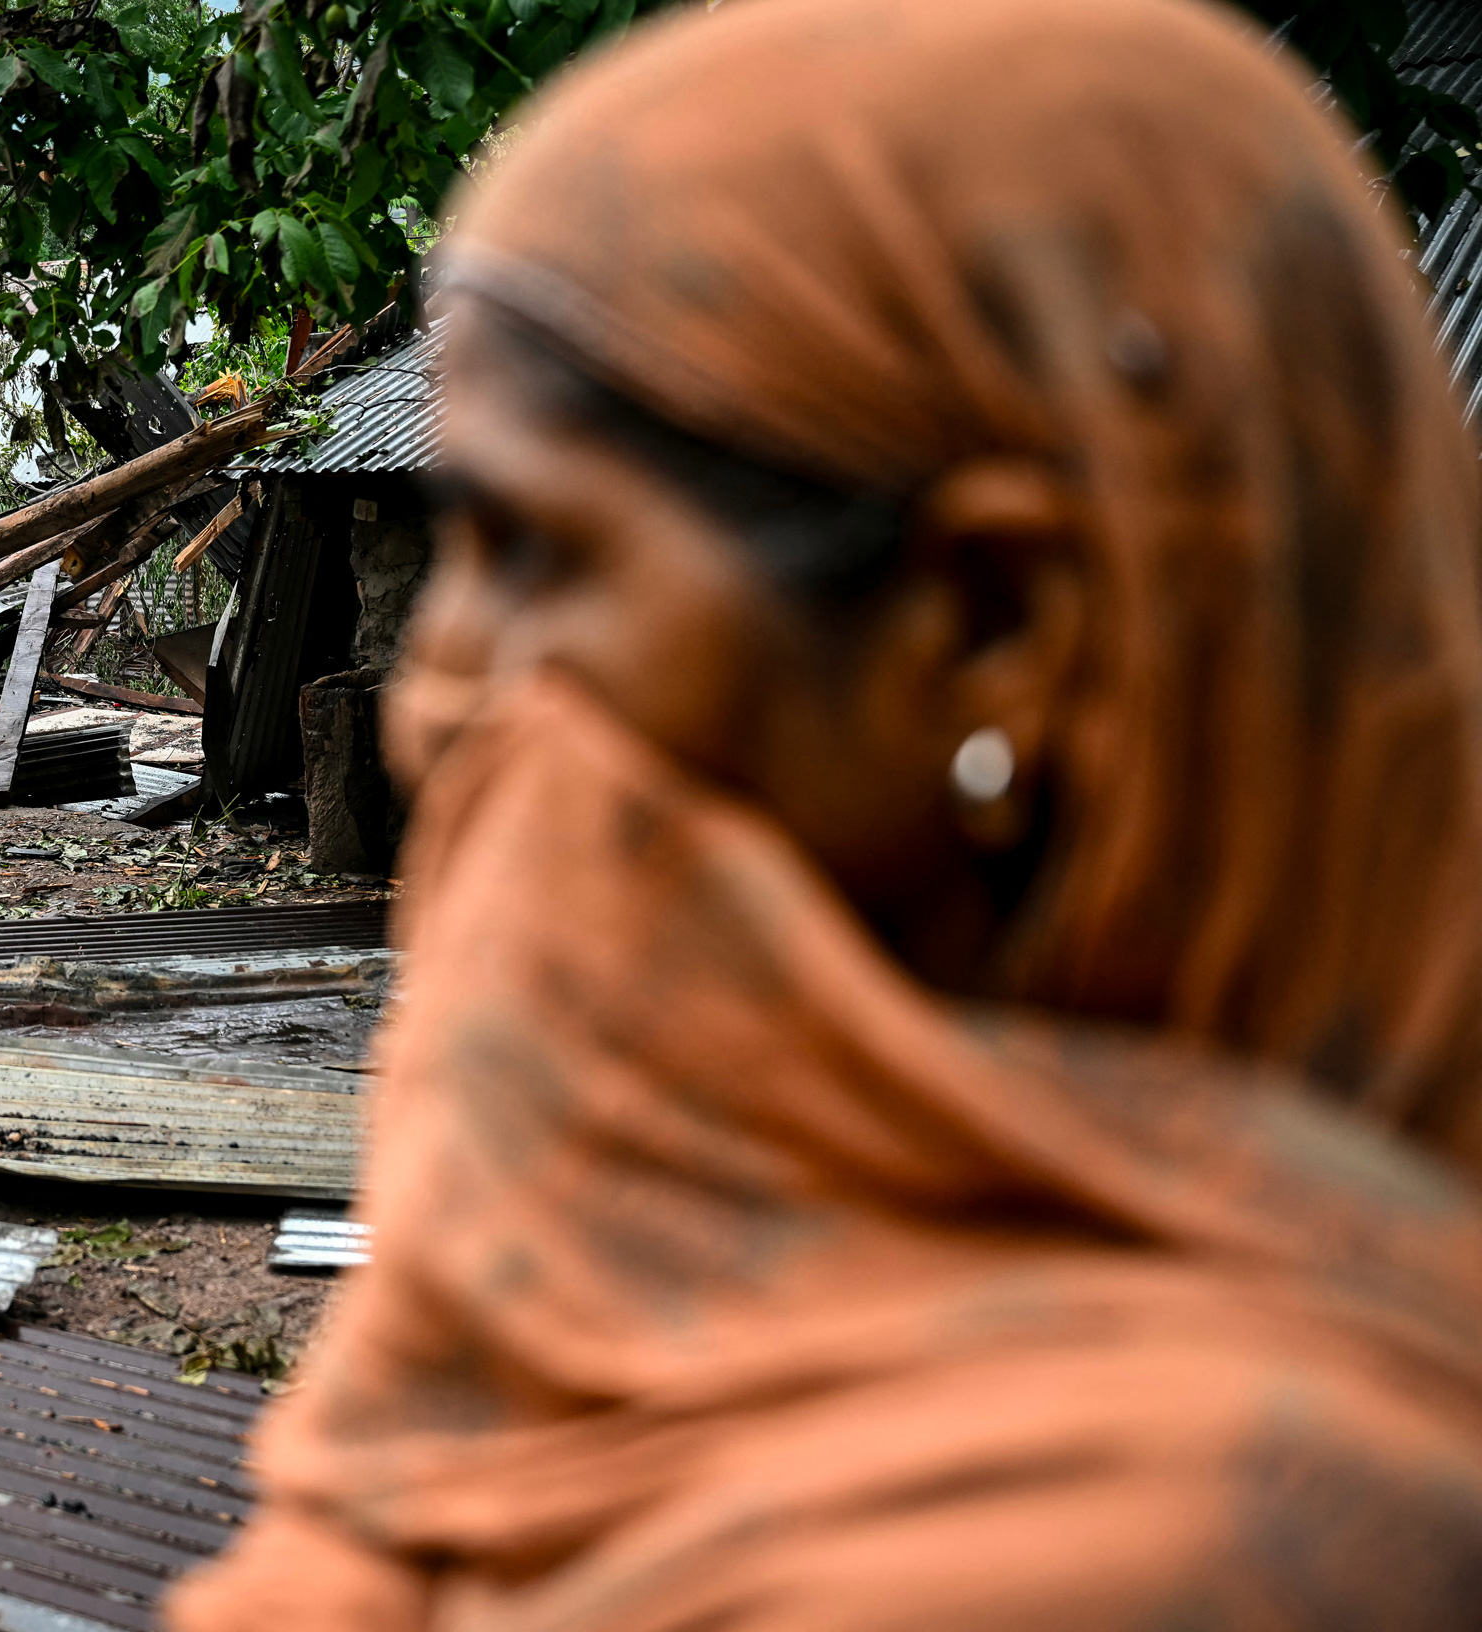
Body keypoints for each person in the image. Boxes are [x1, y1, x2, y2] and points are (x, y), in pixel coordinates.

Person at [165, 0, 1482, 1626]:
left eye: (537, 554)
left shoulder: (1178, 1549)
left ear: (996, 634)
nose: (433, 704)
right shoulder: (622, 1250)